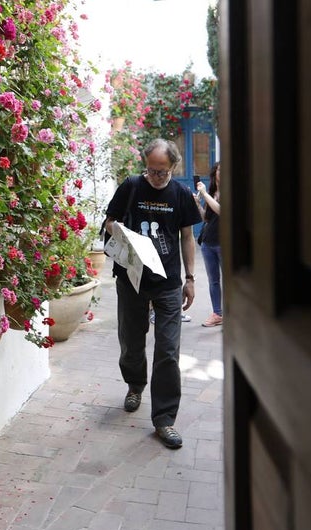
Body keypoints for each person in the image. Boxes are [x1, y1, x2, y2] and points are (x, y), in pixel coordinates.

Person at [103, 139, 201, 449]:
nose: (154, 177)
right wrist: (120, 232)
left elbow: (187, 237)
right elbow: (109, 222)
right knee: (132, 341)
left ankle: (165, 419)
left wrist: (190, 278)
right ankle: (135, 385)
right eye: (150, 170)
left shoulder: (182, 195)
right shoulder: (131, 186)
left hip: (168, 282)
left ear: (174, 167)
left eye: (161, 172)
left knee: (168, 351)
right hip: (132, 278)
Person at [195, 161, 222, 326]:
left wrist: (204, 195)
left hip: (223, 242)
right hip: (208, 242)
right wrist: (198, 204)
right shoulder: (213, 191)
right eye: (219, 169)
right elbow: (207, 217)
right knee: (213, 281)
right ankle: (217, 313)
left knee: (230, 282)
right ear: (214, 173)